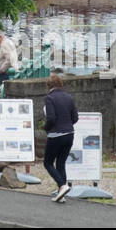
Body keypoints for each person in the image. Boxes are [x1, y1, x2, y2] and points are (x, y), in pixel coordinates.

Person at [43, 74, 79, 202]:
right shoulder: (69, 97)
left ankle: (62, 186)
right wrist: (67, 125)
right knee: (60, 163)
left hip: (56, 134)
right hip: (70, 134)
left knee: (47, 162)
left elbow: (51, 118)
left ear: (49, 85)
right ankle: (61, 194)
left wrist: (46, 128)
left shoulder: (50, 98)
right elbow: (75, 118)